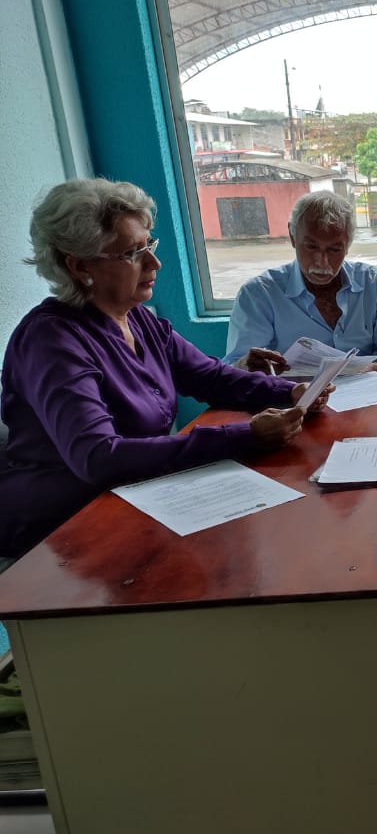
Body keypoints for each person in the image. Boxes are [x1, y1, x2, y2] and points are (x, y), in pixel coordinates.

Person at [0, 179, 323, 562]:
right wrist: (246, 435)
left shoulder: (137, 318)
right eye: (132, 254)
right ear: (79, 265)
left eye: (148, 246)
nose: (155, 264)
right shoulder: (51, 341)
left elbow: (209, 376)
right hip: (62, 533)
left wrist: (290, 392)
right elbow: (99, 457)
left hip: (137, 497)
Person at [224, 191, 377, 374]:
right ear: (292, 236)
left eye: (334, 250)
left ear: (348, 244)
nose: (322, 262)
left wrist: (371, 370)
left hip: (365, 388)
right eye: (311, 247)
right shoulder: (258, 294)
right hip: (292, 394)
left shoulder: (376, 284)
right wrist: (245, 366)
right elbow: (234, 367)